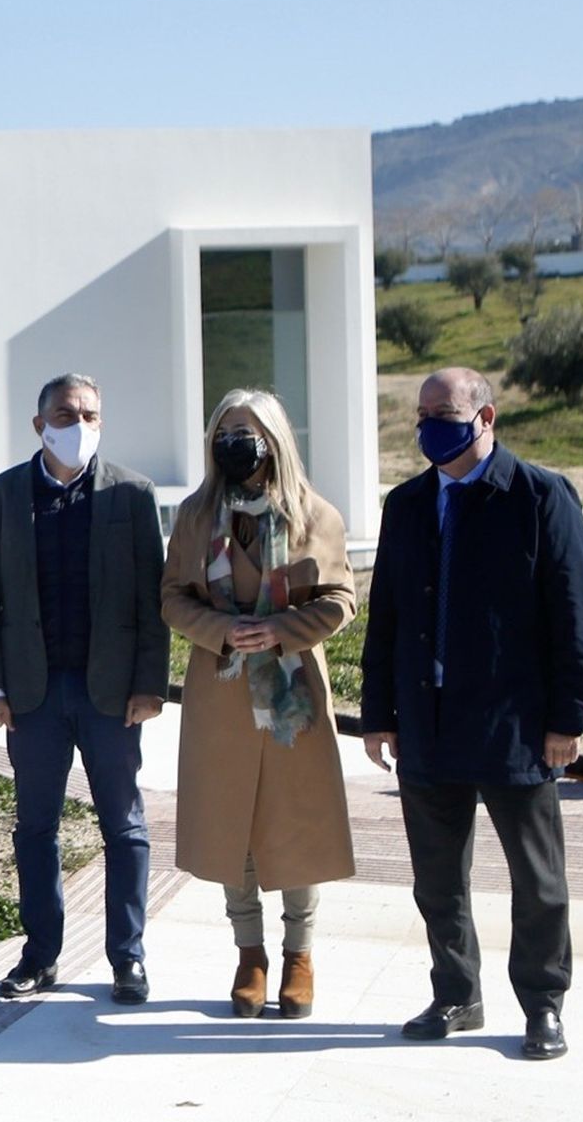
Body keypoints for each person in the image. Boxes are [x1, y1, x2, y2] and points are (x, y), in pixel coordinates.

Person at [361, 366, 583, 1061]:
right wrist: (380, 712)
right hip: (428, 728)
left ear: (486, 416)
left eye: (445, 411)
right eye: (421, 413)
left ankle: (543, 1003)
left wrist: (569, 718)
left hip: (514, 726)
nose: (429, 423)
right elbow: (389, 615)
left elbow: (575, 614)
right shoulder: (407, 504)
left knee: (537, 878)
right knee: (437, 878)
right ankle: (456, 992)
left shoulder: (539, 497)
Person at [0, 372, 169, 1004]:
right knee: (35, 829)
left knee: (125, 827)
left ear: (100, 423)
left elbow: (151, 599)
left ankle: (127, 959)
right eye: (64, 413)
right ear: (39, 424)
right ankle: (40, 956)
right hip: (32, 696)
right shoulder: (3, 495)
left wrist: (150, 684)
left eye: (89, 414)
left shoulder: (132, 495)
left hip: (110, 694)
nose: (77, 424)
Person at [160, 389, 356, 1019]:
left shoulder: (313, 514)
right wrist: (221, 630)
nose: (236, 443)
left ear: (275, 440)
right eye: (226, 432)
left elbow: (340, 600)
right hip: (218, 692)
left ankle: (299, 954)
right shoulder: (195, 515)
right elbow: (171, 598)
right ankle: (250, 953)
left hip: (292, 691)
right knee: (230, 824)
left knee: (295, 819)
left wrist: (280, 630)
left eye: (248, 432)